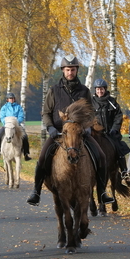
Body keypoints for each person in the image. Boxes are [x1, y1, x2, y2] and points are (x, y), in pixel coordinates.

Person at [26, 55, 114, 206]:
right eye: (67, 69)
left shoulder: (84, 91)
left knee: (101, 156)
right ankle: (36, 191)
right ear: (63, 71)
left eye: (73, 69)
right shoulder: (54, 90)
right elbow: (46, 113)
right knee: (42, 158)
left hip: (80, 134)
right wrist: (51, 128)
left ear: (76, 70)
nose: (70, 72)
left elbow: (91, 113)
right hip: (59, 133)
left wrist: (87, 127)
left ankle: (102, 192)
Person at [90, 78, 130, 174]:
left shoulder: (112, 101)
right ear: (95, 90)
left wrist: (114, 129)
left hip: (110, 133)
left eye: (102, 89)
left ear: (105, 89)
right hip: (96, 134)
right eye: (98, 89)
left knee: (118, 148)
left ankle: (124, 170)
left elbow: (118, 116)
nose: (100, 91)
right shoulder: (91, 102)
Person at [0, 92, 32, 162]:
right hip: (7, 125)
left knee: (25, 136)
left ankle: (26, 154)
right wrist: (8, 123)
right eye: (10, 98)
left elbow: (21, 116)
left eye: (12, 98)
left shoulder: (18, 107)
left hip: (16, 125)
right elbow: (2, 117)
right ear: (7, 99)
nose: (11, 99)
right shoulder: (4, 108)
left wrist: (16, 123)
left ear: (14, 99)